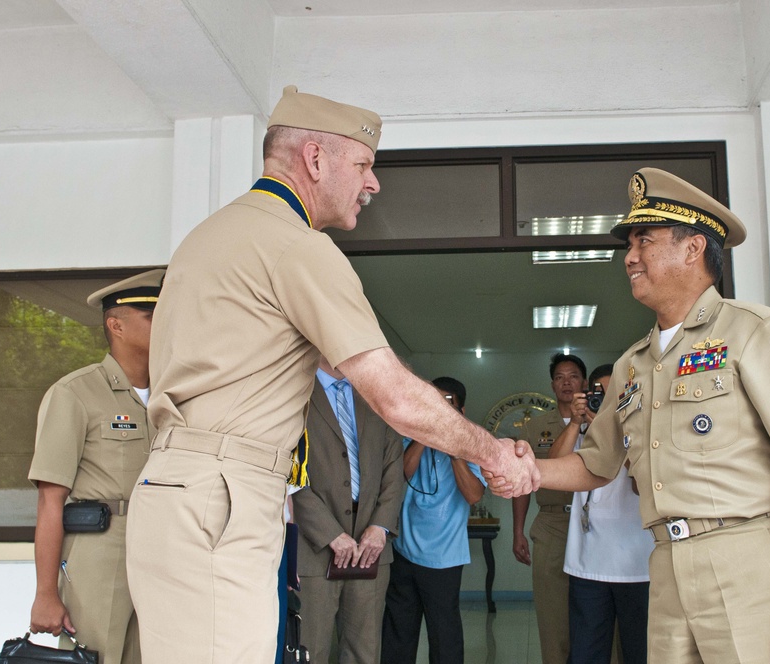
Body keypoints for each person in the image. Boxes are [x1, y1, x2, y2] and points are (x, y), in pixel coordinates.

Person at [126, 86, 538, 663]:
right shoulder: (297, 246)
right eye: (364, 165)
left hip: (172, 491)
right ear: (315, 159)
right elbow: (393, 397)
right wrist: (492, 454)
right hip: (221, 497)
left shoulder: (207, 238)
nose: (374, 184)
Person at [490, 167, 770, 664]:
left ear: (693, 247)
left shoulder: (754, 332)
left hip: (746, 559)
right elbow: (598, 463)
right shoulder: (633, 363)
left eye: (644, 241)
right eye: (629, 245)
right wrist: (530, 470)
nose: (629, 257)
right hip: (665, 565)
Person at [28, 269, 164, 664]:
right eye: (152, 316)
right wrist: (46, 593)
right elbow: (50, 501)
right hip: (102, 552)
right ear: (115, 325)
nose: (166, 324)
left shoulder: (175, 395)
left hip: (162, 549)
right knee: (98, 656)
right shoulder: (75, 394)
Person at [292, 355, 405, 663]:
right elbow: (287, 472)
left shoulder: (375, 395)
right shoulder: (293, 389)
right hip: (312, 545)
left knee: (364, 652)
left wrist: (380, 526)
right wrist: (330, 533)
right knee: (308, 650)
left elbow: (395, 469)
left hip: (371, 546)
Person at [548, 364, 652, 664]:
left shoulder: (640, 431)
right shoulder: (580, 432)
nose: (602, 403)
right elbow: (552, 472)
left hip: (636, 565)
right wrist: (575, 424)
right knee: (586, 652)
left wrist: (619, 428)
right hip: (587, 562)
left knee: (638, 651)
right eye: (597, 395)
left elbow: (641, 484)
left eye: (611, 396)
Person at [380, 377, 486, 664]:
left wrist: (454, 449)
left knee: (444, 636)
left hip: (444, 559)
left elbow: (474, 495)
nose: (439, 410)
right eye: (433, 403)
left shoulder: (472, 444)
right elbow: (400, 475)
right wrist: (424, 434)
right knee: (398, 632)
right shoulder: (407, 438)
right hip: (403, 551)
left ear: (461, 412)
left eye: (447, 404)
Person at [511, 352, 586, 664]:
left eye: (573, 376)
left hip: (597, 525)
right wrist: (518, 532)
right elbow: (523, 484)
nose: (566, 382)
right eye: (559, 377)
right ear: (553, 386)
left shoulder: (606, 420)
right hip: (553, 526)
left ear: (585, 382)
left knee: (597, 609)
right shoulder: (535, 428)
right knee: (553, 614)